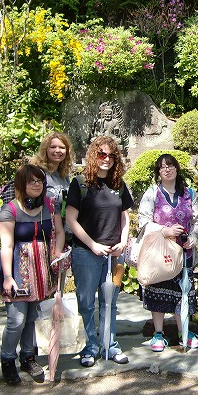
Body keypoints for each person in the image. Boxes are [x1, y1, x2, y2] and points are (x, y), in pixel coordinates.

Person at [66, 136, 133, 367]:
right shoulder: (81, 183)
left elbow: (125, 216)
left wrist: (123, 241)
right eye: (102, 154)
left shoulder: (118, 184)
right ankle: (90, 346)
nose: (106, 159)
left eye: (111, 156)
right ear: (94, 155)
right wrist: (92, 244)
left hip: (114, 255)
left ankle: (110, 344)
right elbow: (71, 219)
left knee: (110, 301)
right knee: (86, 302)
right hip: (86, 253)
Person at [0, 164, 65, 385]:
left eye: (39, 181)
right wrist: (8, 276)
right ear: (21, 184)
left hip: (40, 267)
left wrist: (57, 253)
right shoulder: (10, 209)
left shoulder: (49, 205)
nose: (36, 185)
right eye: (31, 181)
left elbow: (60, 230)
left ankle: (28, 357)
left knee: (31, 318)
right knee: (16, 319)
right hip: (17, 266)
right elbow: (6, 246)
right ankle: (8, 360)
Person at [138, 154, 198, 352]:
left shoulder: (190, 194)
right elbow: (143, 220)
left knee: (183, 291)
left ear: (177, 169)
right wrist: (163, 231)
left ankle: (184, 330)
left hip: (184, 251)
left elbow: (197, 220)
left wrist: (194, 236)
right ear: (158, 172)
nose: (167, 169)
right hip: (161, 251)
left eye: (171, 166)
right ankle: (158, 333)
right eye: (163, 167)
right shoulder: (152, 193)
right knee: (157, 290)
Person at [30, 131, 75, 211]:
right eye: (53, 147)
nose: (58, 150)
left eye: (62, 147)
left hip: (60, 221)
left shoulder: (64, 174)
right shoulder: (37, 173)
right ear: (45, 150)